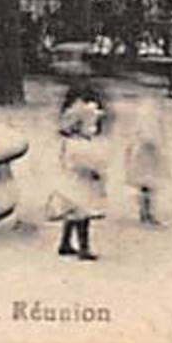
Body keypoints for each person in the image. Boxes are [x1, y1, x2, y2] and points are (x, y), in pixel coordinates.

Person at [48, 83, 111, 261]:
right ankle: (83, 247)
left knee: (72, 212)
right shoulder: (78, 143)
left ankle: (65, 242)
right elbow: (82, 164)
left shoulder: (72, 141)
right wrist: (96, 172)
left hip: (72, 181)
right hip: (81, 182)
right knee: (83, 213)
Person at [124, 94, 170, 227]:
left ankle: (145, 212)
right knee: (148, 185)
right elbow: (149, 138)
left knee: (146, 185)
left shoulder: (141, 117)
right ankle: (146, 214)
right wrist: (158, 149)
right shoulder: (149, 119)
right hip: (146, 156)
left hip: (142, 155)